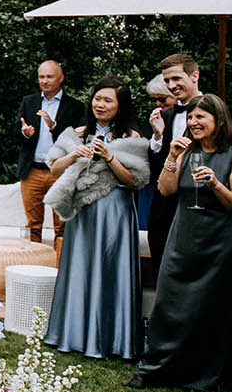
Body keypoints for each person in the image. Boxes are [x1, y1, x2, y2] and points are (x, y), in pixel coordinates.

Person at [129, 93, 232, 392]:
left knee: (213, 310)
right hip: (183, 237)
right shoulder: (184, 152)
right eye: (192, 117)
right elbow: (165, 190)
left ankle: (206, 376)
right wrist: (171, 156)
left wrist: (215, 184)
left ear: (219, 121)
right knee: (170, 304)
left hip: (220, 242)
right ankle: (156, 368)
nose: (194, 123)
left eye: (201, 117)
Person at [43, 77, 150, 360]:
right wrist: (74, 156)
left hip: (115, 211)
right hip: (83, 212)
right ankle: (73, 334)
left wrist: (110, 158)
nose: (100, 105)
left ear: (120, 106)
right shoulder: (79, 133)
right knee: (80, 267)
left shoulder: (131, 137)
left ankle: (112, 340)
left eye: (107, 101)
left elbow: (136, 181)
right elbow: (54, 168)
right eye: (97, 99)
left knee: (111, 268)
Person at [145, 53, 202, 286]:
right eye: (167, 80)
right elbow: (153, 165)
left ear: (194, 76)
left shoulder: (214, 110)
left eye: (176, 78)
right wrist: (158, 135)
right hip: (164, 202)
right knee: (161, 264)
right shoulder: (165, 115)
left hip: (196, 198)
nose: (171, 85)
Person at [14, 60, 84, 247]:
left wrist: (53, 126)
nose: (44, 81)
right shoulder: (29, 102)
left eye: (49, 77)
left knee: (62, 226)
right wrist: (25, 133)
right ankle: (32, 262)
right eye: (41, 77)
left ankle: (61, 263)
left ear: (61, 78)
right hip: (32, 171)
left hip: (60, 172)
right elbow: (15, 132)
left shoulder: (74, 106)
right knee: (33, 225)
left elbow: (76, 139)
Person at [136, 75, 170, 233]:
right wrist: (157, 135)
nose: (158, 104)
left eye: (162, 99)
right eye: (154, 100)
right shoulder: (153, 119)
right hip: (151, 183)